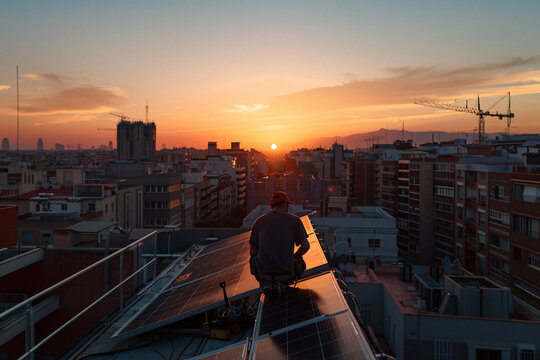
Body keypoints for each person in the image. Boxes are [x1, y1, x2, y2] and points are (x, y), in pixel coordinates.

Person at [249, 191, 310, 298]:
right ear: (285, 205)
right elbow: (305, 246)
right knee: (300, 260)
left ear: (271, 206)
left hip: (264, 273)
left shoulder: (259, 222)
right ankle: (282, 285)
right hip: (286, 273)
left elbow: (252, 251)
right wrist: (294, 257)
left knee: (253, 259)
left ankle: (265, 285)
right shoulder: (294, 220)